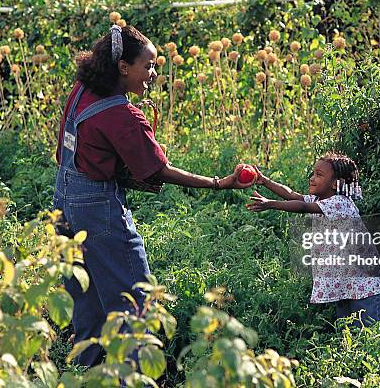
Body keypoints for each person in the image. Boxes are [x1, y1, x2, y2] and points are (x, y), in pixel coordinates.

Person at [52, 23, 253, 368]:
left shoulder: (82, 90)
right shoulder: (121, 115)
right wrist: (220, 183)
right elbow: (158, 170)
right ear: (123, 67)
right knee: (133, 293)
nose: (154, 74)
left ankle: (88, 366)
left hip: (64, 197)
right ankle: (134, 371)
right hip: (97, 207)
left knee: (86, 292)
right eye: (148, 66)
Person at [246, 152, 380, 328]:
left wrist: (270, 203)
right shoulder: (321, 200)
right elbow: (292, 195)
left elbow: (303, 206)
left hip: (362, 281)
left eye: (319, 175)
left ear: (336, 184)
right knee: (348, 331)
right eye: (313, 173)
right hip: (343, 281)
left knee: (372, 329)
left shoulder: (339, 203)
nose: (312, 179)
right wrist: (265, 181)